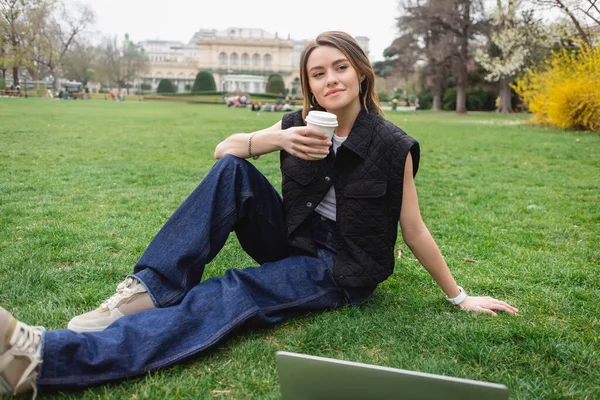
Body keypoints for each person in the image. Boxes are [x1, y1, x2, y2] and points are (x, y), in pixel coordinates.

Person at [0, 31, 518, 397]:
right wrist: (273, 138)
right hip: (293, 237)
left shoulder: (392, 144)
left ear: (361, 72)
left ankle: (44, 359)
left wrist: (460, 296)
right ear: (308, 84)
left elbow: (414, 227)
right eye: (318, 73)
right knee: (233, 174)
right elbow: (223, 152)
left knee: (235, 290)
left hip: (340, 267)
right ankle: (147, 292)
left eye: (340, 67)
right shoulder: (297, 124)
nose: (330, 79)